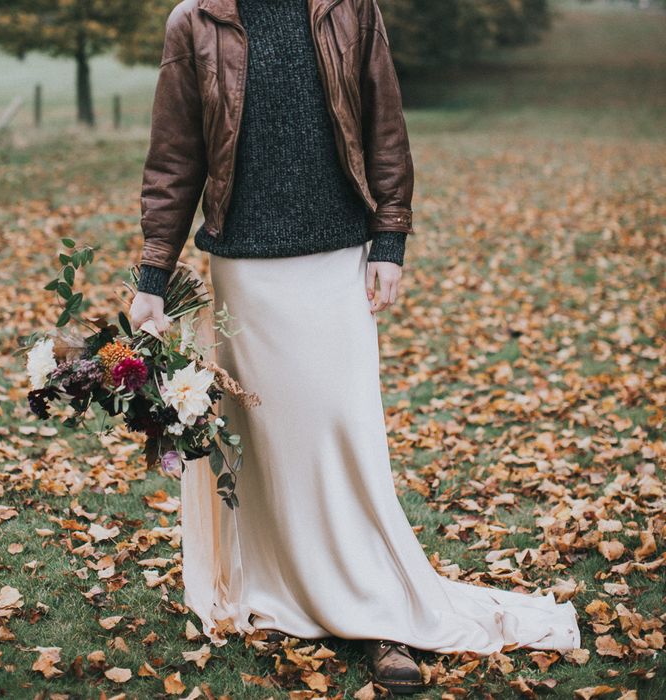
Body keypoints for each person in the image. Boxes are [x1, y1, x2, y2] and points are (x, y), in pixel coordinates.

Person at [130, 0, 580, 693]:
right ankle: (288, 592)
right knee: (270, 445)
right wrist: (153, 278)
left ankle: (378, 613)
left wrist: (389, 236)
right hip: (245, 272)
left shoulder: (347, 7)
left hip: (336, 258)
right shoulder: (194, 21)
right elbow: (174, 156)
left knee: (347, 434)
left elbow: (383, 120)